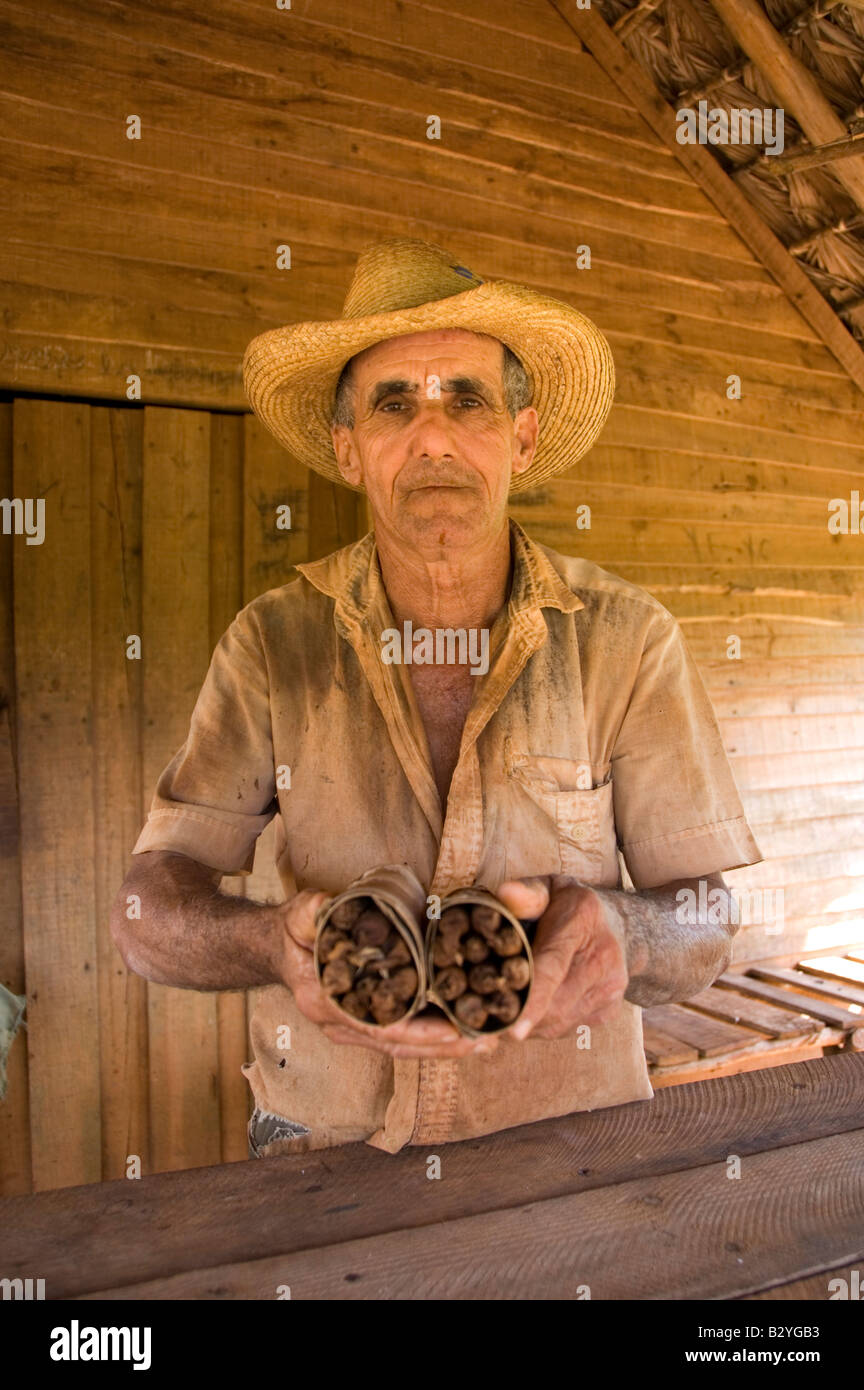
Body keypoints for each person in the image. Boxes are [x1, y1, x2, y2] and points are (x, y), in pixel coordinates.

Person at [112, 237, 762, 1158]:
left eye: (468, 399)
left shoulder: (627, 639)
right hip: (326, 1149)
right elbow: (143, 920)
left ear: (521, 436)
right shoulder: (274, 644)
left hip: (569, 1141)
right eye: (393, 404)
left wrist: (626, 928)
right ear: (349, 448)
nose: (434, 438)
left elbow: (708, 923)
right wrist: (271, 947)